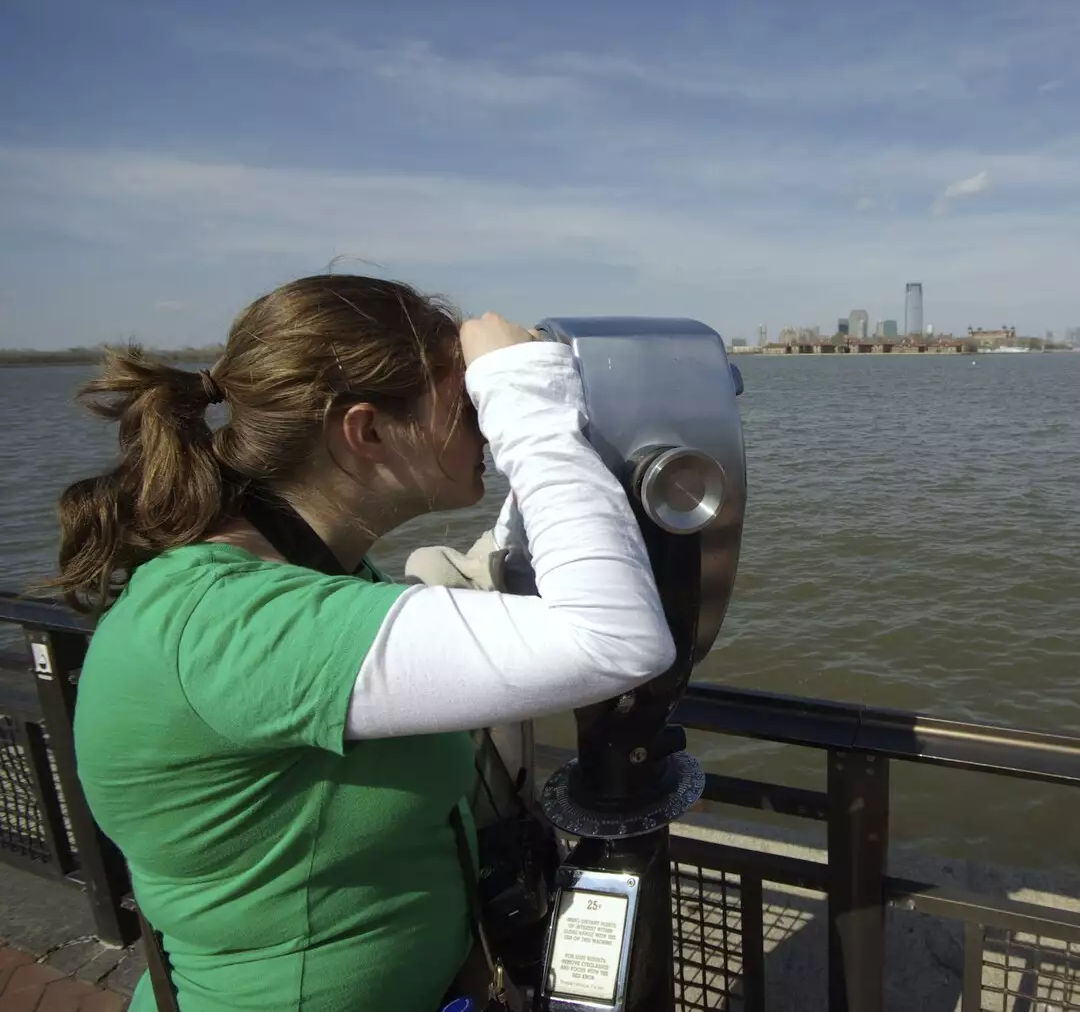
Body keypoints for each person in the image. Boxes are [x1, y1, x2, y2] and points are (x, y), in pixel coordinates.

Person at [54, 275, 675, 1012]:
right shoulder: (234, 622)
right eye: (468, 405)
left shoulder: (310, 571)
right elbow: (613, 637)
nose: (485, 429)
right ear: (366, 430)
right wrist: (526, 401)